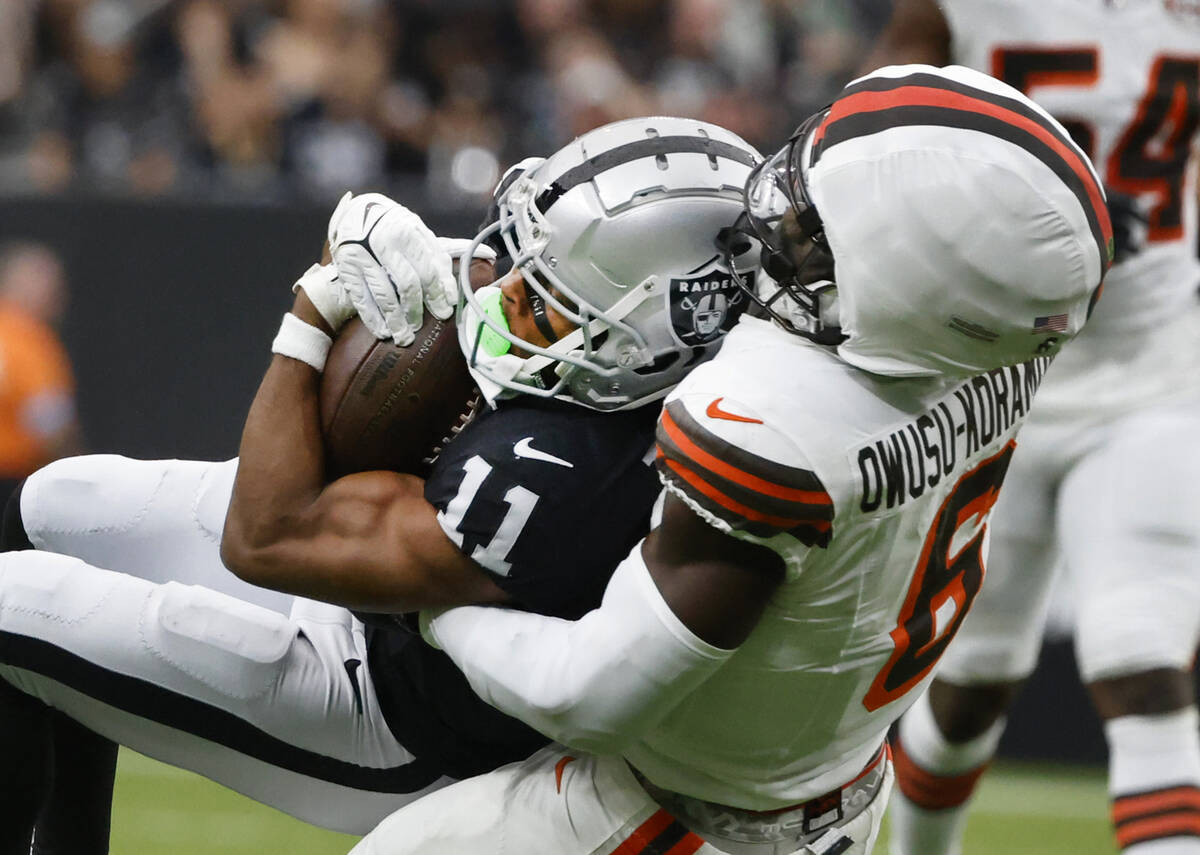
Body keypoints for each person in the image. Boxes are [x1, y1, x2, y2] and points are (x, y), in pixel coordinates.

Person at [345, 62, 1112, 855]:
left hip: (693, 813)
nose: (780, 218)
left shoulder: (777, 419)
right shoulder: (1007, 347)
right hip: (834, 771)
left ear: (914, 295)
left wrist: (427, 608)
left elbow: (588, 697)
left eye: (819, 233)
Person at [0, 116, 761, 853]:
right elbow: (484, 279)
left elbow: (265, 535)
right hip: (375, 596)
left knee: (8, 605)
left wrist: (313, 308)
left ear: (665, 338)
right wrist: (373, 244)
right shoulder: (632, 357)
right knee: (48, 505)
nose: (507, 298)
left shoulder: (574, 474)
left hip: (389, 715)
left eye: (544, 301)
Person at [863, 5, 1200, 855]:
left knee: (1143, 657)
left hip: (1152, 374)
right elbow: (872, 133)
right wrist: (1044, 202)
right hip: (995, 376)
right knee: (972, 684)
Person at [0, 242, 82, 506]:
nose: (58, 295)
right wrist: (78, 476)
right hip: (11, 480)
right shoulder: (29, 340)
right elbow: (50, 421)